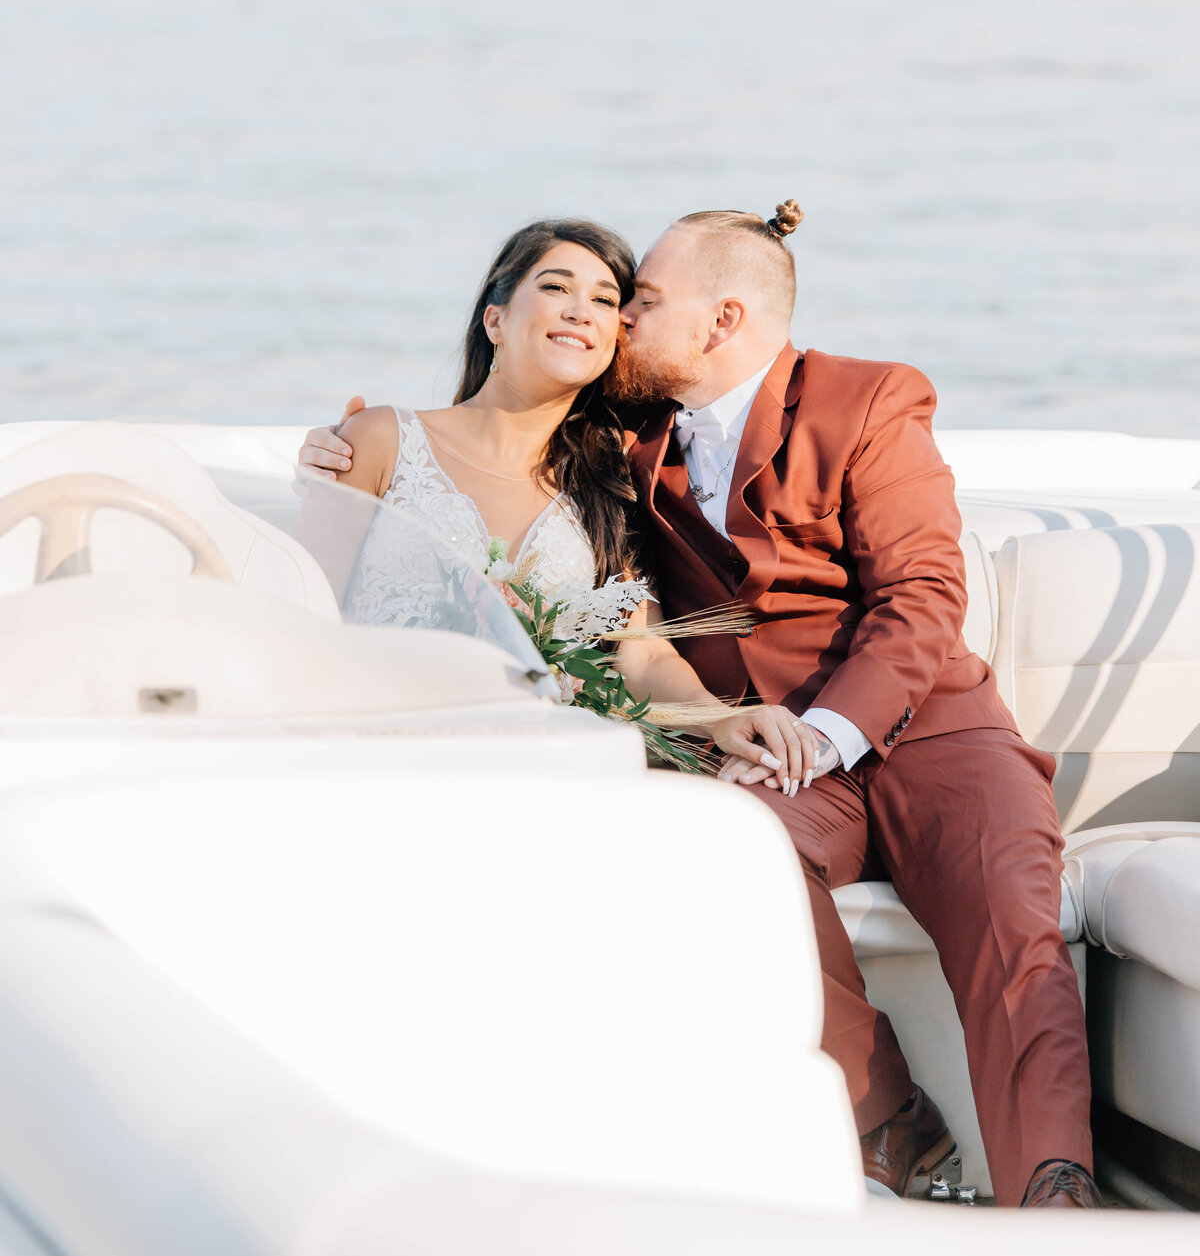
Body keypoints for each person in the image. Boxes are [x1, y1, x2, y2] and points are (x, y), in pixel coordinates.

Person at [299, 203, 1100, 1208]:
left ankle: (1057, 1201)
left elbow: (922, 597)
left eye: (636, 300)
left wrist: (820, 732)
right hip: (769, 755)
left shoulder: (868, 400)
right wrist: (336, 455)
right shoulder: (620, 447)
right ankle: (886, 1121)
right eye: (597, 298)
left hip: (929, 732)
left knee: (1012, 920)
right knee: (728, 854)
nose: (616, 323)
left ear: (721, 323)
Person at [303, 215, 815, 790]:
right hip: (385, 753)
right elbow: (308, 611)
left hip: (544, 769)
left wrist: (721, 716)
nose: (580, 310)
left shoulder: (610, 486)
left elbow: (643, 657)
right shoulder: (379, 441)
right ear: (494, 319)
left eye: (604, 299)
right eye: (554, 287)